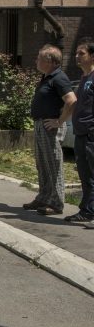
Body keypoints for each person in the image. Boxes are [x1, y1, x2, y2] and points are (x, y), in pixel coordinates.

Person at [24, 45, 76, 216]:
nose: (36, 61)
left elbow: (71, 101)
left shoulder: (59, 77)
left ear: (51, 62)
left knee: (53, 165)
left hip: (50, 126)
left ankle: (56, 203)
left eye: (40, 58)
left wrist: (59, 121)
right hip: (41, 124)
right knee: (42, 164)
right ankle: (44, 197)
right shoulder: (46, 77)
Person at [66, 38, 94, 225]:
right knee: (85, 175)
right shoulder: (83, 78)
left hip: (91, 134)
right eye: (76, 53)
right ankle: (87, 210)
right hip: (80, 133)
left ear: (92, 56)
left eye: (81, 53)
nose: (77, 56)